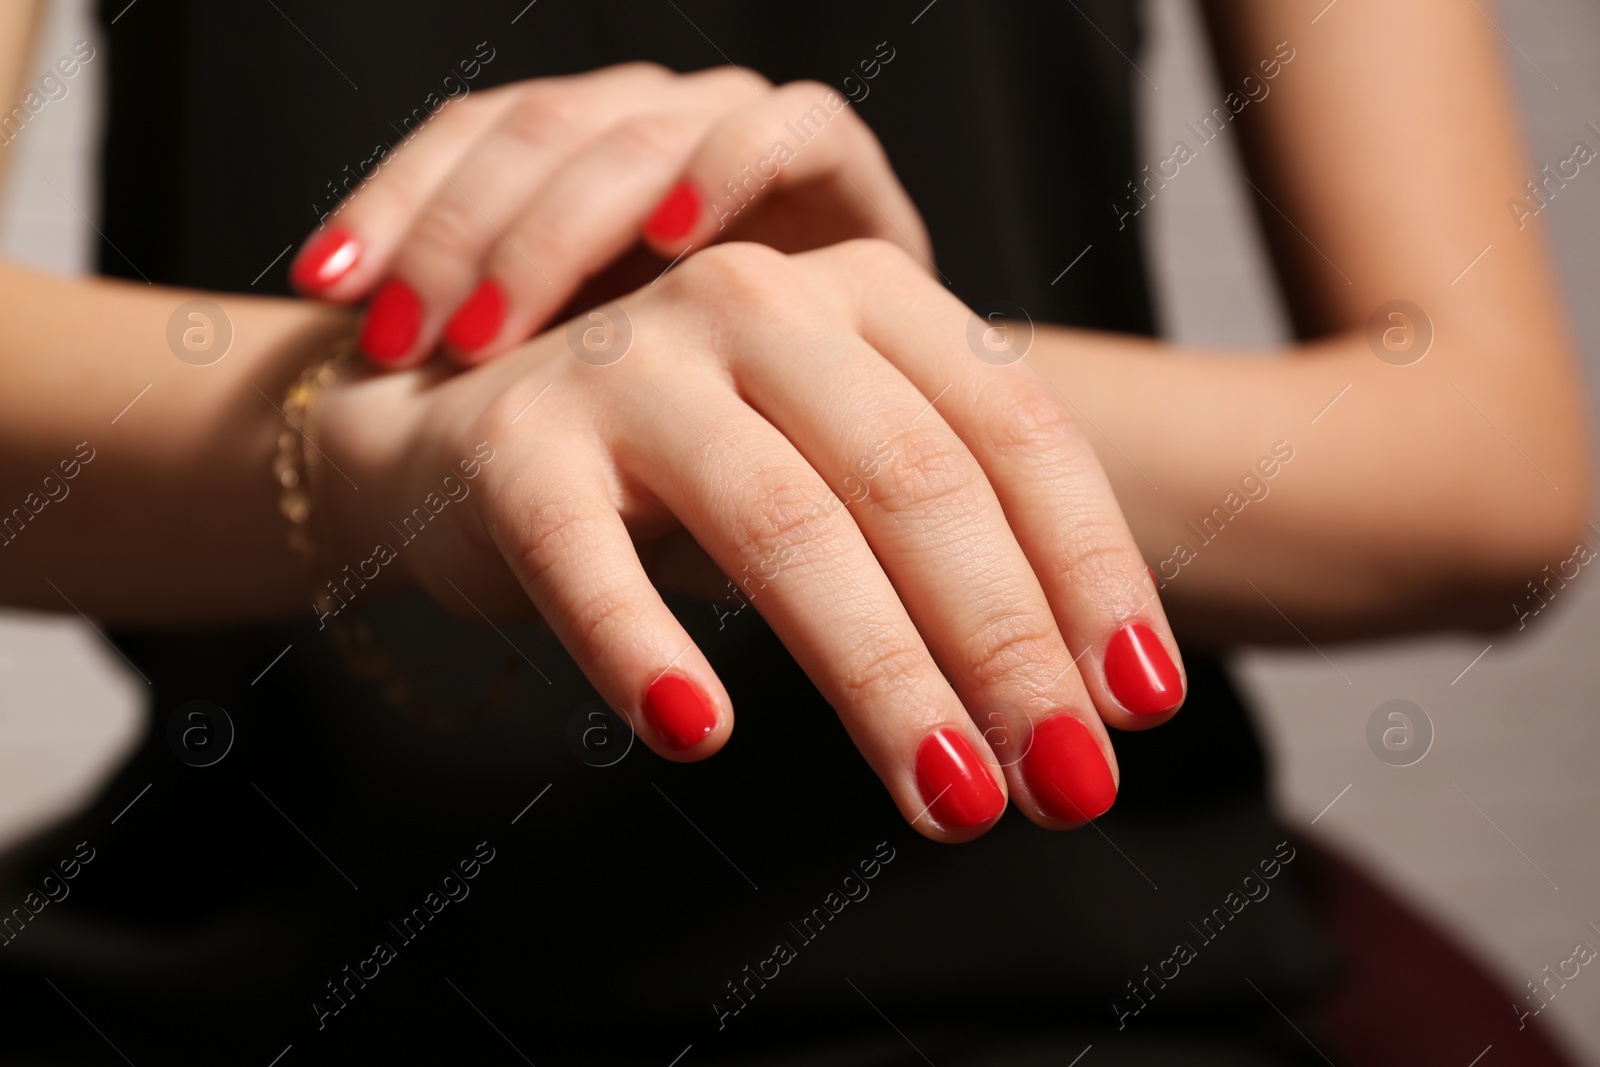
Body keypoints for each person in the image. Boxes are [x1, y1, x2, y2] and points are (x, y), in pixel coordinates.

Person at [0, 0, 1586, 1063]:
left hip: (1068, 990)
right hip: (261, 971)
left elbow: (1486, 456)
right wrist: (383, 447)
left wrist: (814, 365)